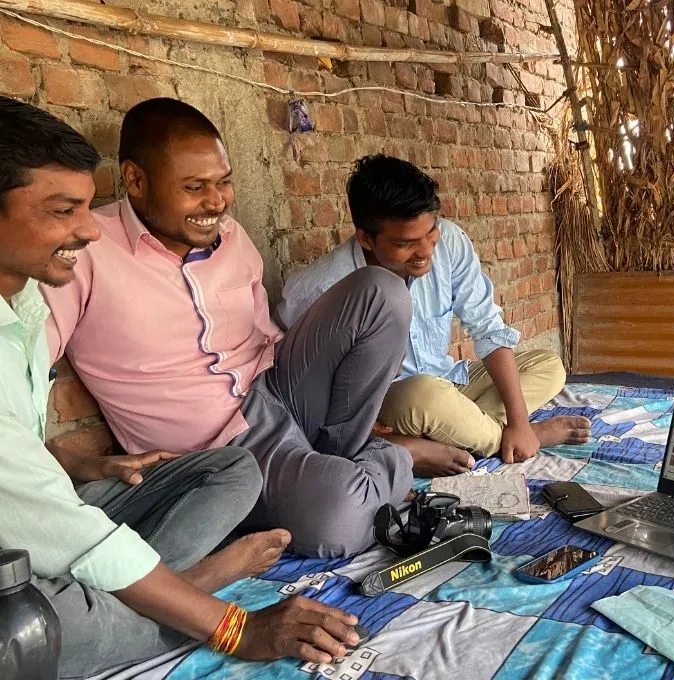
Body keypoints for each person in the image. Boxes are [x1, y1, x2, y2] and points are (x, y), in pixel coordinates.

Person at [0, 97, 363, 678]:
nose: (88, 230)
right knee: (25, 634)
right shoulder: (66, 283)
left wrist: (82, 464)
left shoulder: (18, 301)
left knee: (232, 470)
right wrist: (234, 626)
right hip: (15, 552)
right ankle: (190, 587)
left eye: (87, 208)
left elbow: (12, 445)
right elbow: (57, 527)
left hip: (67, 502)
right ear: (138, 182)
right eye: (63, 210)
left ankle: (157, 591)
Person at [42, 98, 413, 558]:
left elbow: (267, 336)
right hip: (220, 450)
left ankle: (341, 460)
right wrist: (64, 456)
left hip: (277, 388)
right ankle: (391, 460)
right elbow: (25, 370)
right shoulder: (86, 255)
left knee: (383, 290)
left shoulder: (232, 236)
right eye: (195, 186)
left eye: (224, 183)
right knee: (337, 520)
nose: (215, 202)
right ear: (135, 180)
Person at [277, 155, 591, 473]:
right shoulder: (321, 288)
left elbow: (487, 329)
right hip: (394, 402)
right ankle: (497, 438)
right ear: (365, 238)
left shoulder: (450, 241)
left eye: (431, 233)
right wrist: (366, 424)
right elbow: (300, 384)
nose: (426, 251)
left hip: (449, 382)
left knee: (547, 365)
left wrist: (520, 421)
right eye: (406, 243)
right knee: (422, 393)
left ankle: (468, 434)